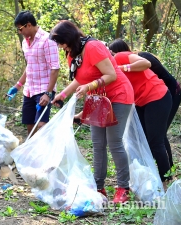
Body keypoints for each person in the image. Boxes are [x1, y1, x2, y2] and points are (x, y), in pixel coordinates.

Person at [50, 20, 134, 203]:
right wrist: (63, 95)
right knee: (97, 143)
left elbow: (111, 74)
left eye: (61, 42)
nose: (60, 46)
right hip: (98, 99)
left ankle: (123, 188)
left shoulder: (93, 46)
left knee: (114, 142)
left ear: (69, 37)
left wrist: (90, 85)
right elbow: (80, 79)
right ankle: (98, 187)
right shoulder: (72, 54)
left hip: (118, 95)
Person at [108, 38, 173, 190]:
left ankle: (167, 181)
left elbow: (146, 63)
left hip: (157, 96)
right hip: (140, 101)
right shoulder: (107, 73)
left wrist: (122, 68)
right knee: (142, 140)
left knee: (156, 141)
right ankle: (148, 176)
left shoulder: (119, 57)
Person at [7, 10, 60, 136]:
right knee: (30, 125)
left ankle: (47, 153)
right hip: (29, 89)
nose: (20, 32)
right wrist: (17, 86)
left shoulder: (47, 40)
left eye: (20, 29)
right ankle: (33, 155)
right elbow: (30, 66)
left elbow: (55, 68)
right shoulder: (25, 42)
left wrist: (48, 93)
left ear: (28, 25)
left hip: (44, 88)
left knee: (41, 125)